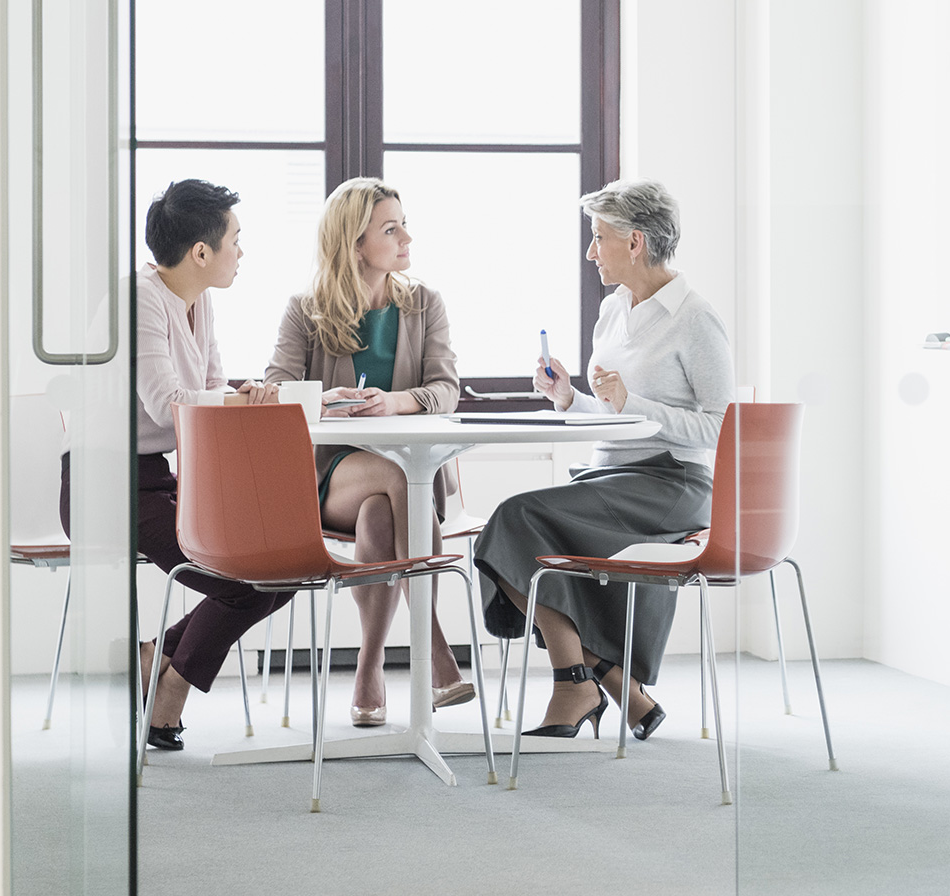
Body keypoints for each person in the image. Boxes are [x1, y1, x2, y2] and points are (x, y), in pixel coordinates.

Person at [474, 178, 735, 740]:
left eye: (599, 238)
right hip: (612, 477)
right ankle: (608, 679)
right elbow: (618, 413)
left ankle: (579, 681)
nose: (591, 252)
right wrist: (571, 398)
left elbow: (719, 430)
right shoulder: (613, 310)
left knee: (515, 519)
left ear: (635, 241)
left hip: (672, 483)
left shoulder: (695, 318)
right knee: (513, 538)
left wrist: (630, 401)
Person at [59, 179, 292, 751]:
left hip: (161, 478)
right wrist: (233, 400)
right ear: (201, 253)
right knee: (246, 582)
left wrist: (242, 391)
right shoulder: (137, 299)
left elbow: (209, 389)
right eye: (236, 240)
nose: (242, 251)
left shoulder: (197, 300)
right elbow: (170, 403)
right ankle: (171, 694)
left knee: (278, 568)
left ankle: (158, 655)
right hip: (105, 483)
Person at [265, 177, 472, 727]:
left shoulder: (424, 303)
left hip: (406, 480)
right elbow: (277, 391)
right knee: (399, 477)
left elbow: (447, 388)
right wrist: (329, 402)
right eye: (390, 227)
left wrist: (396, 403)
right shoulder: (305, 310)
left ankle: (370, 664)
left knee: (384, 509)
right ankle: (433, 647)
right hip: (334, 475)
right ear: (356, 243)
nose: (407, 236)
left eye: (403, 222)